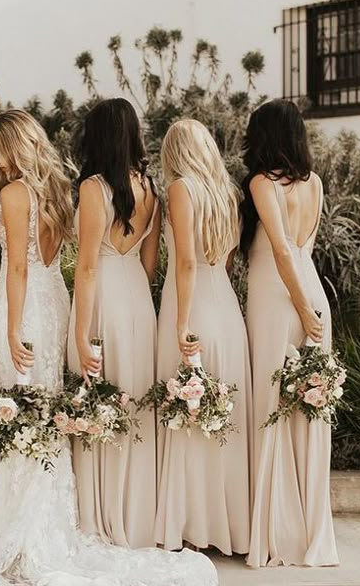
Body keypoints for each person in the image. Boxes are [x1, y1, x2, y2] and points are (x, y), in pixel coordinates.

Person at [0, 109, 217, 586]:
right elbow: (150, 263)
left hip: (28, 304)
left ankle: (24, 528)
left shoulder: (24, 193)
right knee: (55, 407)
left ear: (12, 145)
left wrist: (12, 328)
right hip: (63, 298)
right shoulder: (69, 190)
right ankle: (76, 518)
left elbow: (17, 268)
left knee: (23, 404)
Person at [241, 99, 339, 567]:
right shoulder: (315, 184)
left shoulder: (263, 183)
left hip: (280, 296)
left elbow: (280, 250)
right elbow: (303, 249)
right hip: (312, 288)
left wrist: (299, 305)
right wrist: (311, 305)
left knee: (274, 405)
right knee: (310, 408)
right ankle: (310, 528)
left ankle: (278, 531)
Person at [154, 119, 252, 556]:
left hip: (192, 306)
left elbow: (187, 262)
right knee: (219, 419)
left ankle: (190, 525)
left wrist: (182, 321)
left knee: (189, 418)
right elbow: (225, 262)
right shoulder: (228, 195)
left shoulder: (181, 189)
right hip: (226, 308)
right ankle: (226, 526)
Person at [68, 97, 161, 548]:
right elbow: (150, 264)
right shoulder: (151, 189)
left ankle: (100, 515)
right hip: (138, 302)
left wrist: (83, 334)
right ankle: (136, 514)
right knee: (136, 403)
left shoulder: (94, 188)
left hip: (102, 295)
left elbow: (86, 266)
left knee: (99, 403)